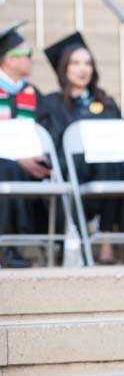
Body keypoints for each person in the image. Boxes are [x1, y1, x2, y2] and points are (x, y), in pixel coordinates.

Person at [40, 32, 124, 264]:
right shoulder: (52, 103)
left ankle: (108, 245)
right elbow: (54, 146)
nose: (83, 69)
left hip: (108, 169)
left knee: (114, 160)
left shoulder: (106, 101)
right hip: (73, 170)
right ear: (64, 68)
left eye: (88, 63)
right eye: (75, 63)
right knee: (113, 160)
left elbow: (122, 140)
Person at [0, 22, 47, 268]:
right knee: (7, 169)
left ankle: (57, 243)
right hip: (5, 164)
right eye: (27, 55)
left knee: (51, 167)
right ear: (9, 59)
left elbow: (47, 131)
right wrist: (19, 159)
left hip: (30, 163)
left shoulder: (33, 93)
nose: (32, 60)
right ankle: (6, 248)